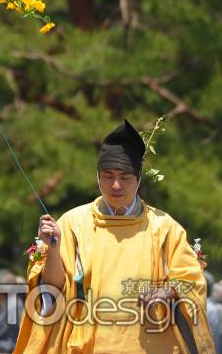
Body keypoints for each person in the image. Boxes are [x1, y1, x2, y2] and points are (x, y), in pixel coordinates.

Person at [12, 120, 214, 353]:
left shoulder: (164, 227)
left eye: (125, 178)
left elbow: (192, 280)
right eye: (108, 176)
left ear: (138, 179)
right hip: (89, 345)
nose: (116, 185)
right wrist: (54, 250)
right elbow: (53, 290)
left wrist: (166, 291)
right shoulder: (73, 223)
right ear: (97, 177)